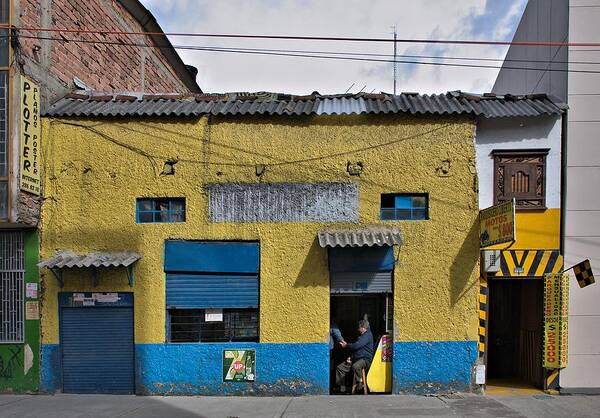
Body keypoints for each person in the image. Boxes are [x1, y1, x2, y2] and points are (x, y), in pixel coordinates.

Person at [336, 319, 373, 393]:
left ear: (363, 328)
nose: (358, 330)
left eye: (359, 328)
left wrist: (346, 345)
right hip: (357, 358)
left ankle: (360, 382)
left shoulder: (367, 335)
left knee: (356, 366)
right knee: (340, 368)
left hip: (365, 360)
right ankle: (342, 388)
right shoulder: (362, 336)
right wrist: (351, 357)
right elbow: (358, 350)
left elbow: (357, 346)